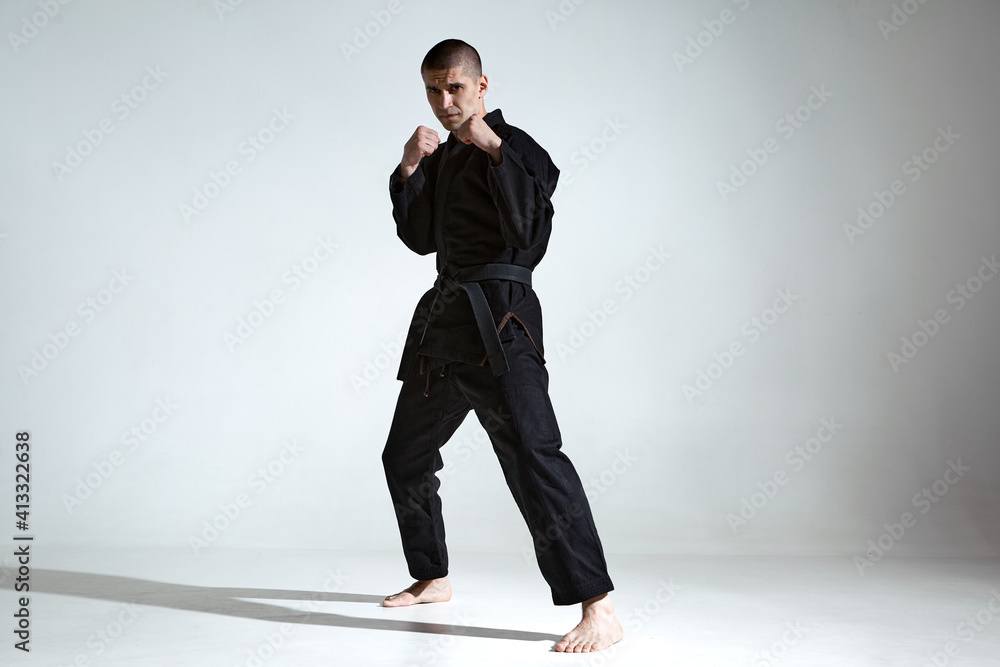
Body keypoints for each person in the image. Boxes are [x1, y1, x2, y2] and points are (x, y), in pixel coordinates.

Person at [379, 38, 624, 653]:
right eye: (433, 90)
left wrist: (493, 151)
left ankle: (599, 608)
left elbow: (530, 233)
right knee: (404, 456)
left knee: (535, 458)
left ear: (482, 86)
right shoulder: (440, 160)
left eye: (454, 88)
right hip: (445, 326)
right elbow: (418, 239)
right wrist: (408, 169)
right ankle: (431, 576)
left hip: (502, 326)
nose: (443, 101)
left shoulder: (519, 149)